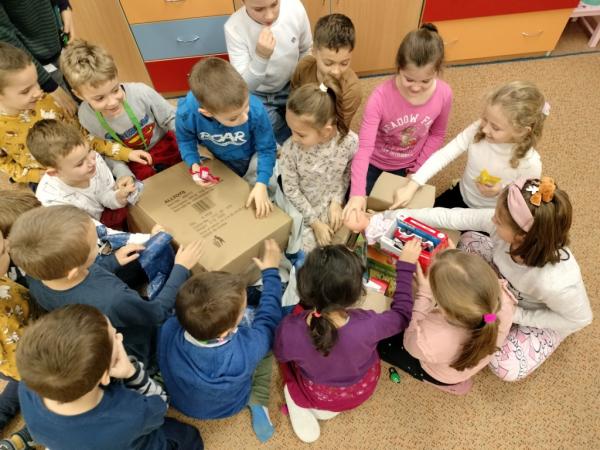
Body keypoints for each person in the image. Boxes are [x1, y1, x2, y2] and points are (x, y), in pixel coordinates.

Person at [376, 177, 592, 381]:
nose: (492, 218)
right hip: (502, 296)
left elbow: (579, 320)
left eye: (499, 220)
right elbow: (454, 217)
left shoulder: (557, 283)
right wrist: (393, 216)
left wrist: (516, 315)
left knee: (504, 365)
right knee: (467, 240)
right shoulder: (508, 222)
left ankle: (506, 319)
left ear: (521, 236)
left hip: (533, 312)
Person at [8, 205, 205, 366]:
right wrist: (181, 268)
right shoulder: (113, 299)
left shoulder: (36, 276)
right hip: (138, 340)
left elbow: (89, 269)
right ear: (73, 271)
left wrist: (113, 261)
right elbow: (157, 312)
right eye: (94, 245)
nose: (99, 245)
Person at [274, 240, 421, 443]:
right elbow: (403, 315)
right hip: (362, 390)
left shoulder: (290, 330)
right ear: (357, 294)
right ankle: (323, 409)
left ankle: (304, 406)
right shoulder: (369, 324)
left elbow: (281, 354)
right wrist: (405, 268)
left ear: (304, 288)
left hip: (320, 395)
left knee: (289, 381)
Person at [16, 304, 203, 450]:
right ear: (106, 376)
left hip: (68, 440)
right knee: (187, 436)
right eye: (115, 336)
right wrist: (131, 372)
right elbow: (160, 405)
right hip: (138, 438)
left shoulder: (27, 387)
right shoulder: (132, 413)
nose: (120, 337)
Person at [158, 240, 283, 443]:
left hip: (182, 403)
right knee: (268, 348)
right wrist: (271, 272)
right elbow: (268, 321)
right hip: (231, 405)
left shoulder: (168, 329)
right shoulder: (247, 348)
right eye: (241, 311)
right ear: (226, 332)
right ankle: (258, 400)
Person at [343, 24, 452, 219]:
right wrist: (357, 193)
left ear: (437, 72)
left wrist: (415, 173)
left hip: (408, 166)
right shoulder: (380, 98)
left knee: (395, 216)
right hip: (374, 161)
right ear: (398, 68)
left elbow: (437, 134)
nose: (416, 87)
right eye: (409, 79)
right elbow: (364, 148)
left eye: (425, 81)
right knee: (355, 207)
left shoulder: (444, 94)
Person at [0, 42, 145, 185]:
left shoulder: (52, 102)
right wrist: (37, 176)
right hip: (46, 181)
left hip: (85, 165)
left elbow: (85, 138)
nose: (38, 92)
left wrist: (125, 153)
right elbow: (5, 163)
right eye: (26, 91)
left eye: (36, 82)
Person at [378, 249, 516, 395]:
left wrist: (423, 295)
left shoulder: (431, 337)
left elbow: (409, 343)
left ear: (443, 310)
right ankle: (456, 381)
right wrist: (452, 262)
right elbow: (470, 284)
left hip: (437, 372)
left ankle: (448, 384)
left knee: (381, 344)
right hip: (461, 364)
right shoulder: (501, 303)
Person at [391, 81, 546, 209]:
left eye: (495, 127)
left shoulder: (531, 164)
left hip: (492, 213)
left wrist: (501, 191)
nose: (484, 129)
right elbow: (445, 154)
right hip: (461, 195)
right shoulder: (478, 128)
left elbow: (526, 201)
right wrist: (413, 185)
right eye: (485, 119)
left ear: (521, 131)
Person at [60, 39, 182, 180]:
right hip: (131, 159)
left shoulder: (141, 92)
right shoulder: (85, 117)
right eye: (100, 98)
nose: (112, 102)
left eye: (115, 90)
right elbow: (106, 149)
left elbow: (172, 119)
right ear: (79, 95)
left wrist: (187, 139)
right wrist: (122, 173)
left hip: (164, 143)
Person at [176, 57, 276, 219]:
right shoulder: (186, 113)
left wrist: (262, 182)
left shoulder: (256, 109)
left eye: (246, 107)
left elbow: (266, 148)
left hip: (252, 154)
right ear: (207, 113)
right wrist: (194, 164)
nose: (245, 117)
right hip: (219, 157)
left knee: (265, 189)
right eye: (234, 118)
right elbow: (186, 140)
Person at [280, 80, 357, 250]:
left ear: (326, 131)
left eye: (300, 134)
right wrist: (315, 223)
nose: (293, 138)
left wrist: (337, 201)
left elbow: (347, 172)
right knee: (306, 253)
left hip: (333, 204)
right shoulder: (290, 150)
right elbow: (291, 190)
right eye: (290, 129)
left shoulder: (349, 142)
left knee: (348, 242)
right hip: (304, 212)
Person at [225, 0, 312, 144]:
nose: (270, 16)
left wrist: (301, 87)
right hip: (258, 94)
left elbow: (306, 50)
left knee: (304, 125)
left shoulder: (295, 7)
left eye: (274, 4)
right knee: (274, 133)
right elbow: (244, 86)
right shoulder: (234, 27)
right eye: (259, 9)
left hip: (292, 85)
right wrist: (261, 57)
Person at [27, 119, 137, 229]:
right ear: (55, 172)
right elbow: (82, 233)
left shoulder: (93, 160)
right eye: (80, 163)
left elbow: (104, 193)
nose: (92, 162)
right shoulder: (53, 203)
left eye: (89, 151)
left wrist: (117, 197)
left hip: (100, 214)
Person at [0, 0, 78, 116]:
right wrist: (47, 83)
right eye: (25, 91)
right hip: (40, 68)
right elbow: (5, 37)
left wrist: (62, 4)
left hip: (59, 47)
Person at [290, 13, 361, 129]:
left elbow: (339, 128)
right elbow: (293, 100)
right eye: (328, 63)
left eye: (344, 63)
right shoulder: (303, 67)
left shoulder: (352, 89)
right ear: (314, 52)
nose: (336, 71)